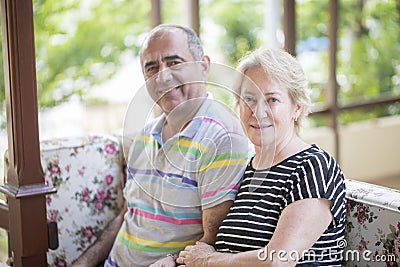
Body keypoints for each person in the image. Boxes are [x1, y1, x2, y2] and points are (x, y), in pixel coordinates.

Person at [71, 24, 249, 267]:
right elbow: (129, 215)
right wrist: (84, 262)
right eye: (151, 67)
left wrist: (173, 260)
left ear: (204, 66)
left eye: (174, 62)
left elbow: (213, 243)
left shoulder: (222, 139)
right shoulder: (144, 136)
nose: (162, 76)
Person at [176, 48, 347, 266]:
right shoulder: (250, 170)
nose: (258, 111)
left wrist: (208, 260)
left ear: (297, 108)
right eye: (249, 99)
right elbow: (229, 250)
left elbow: (277, 261)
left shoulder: (314, 167)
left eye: (272, 99)